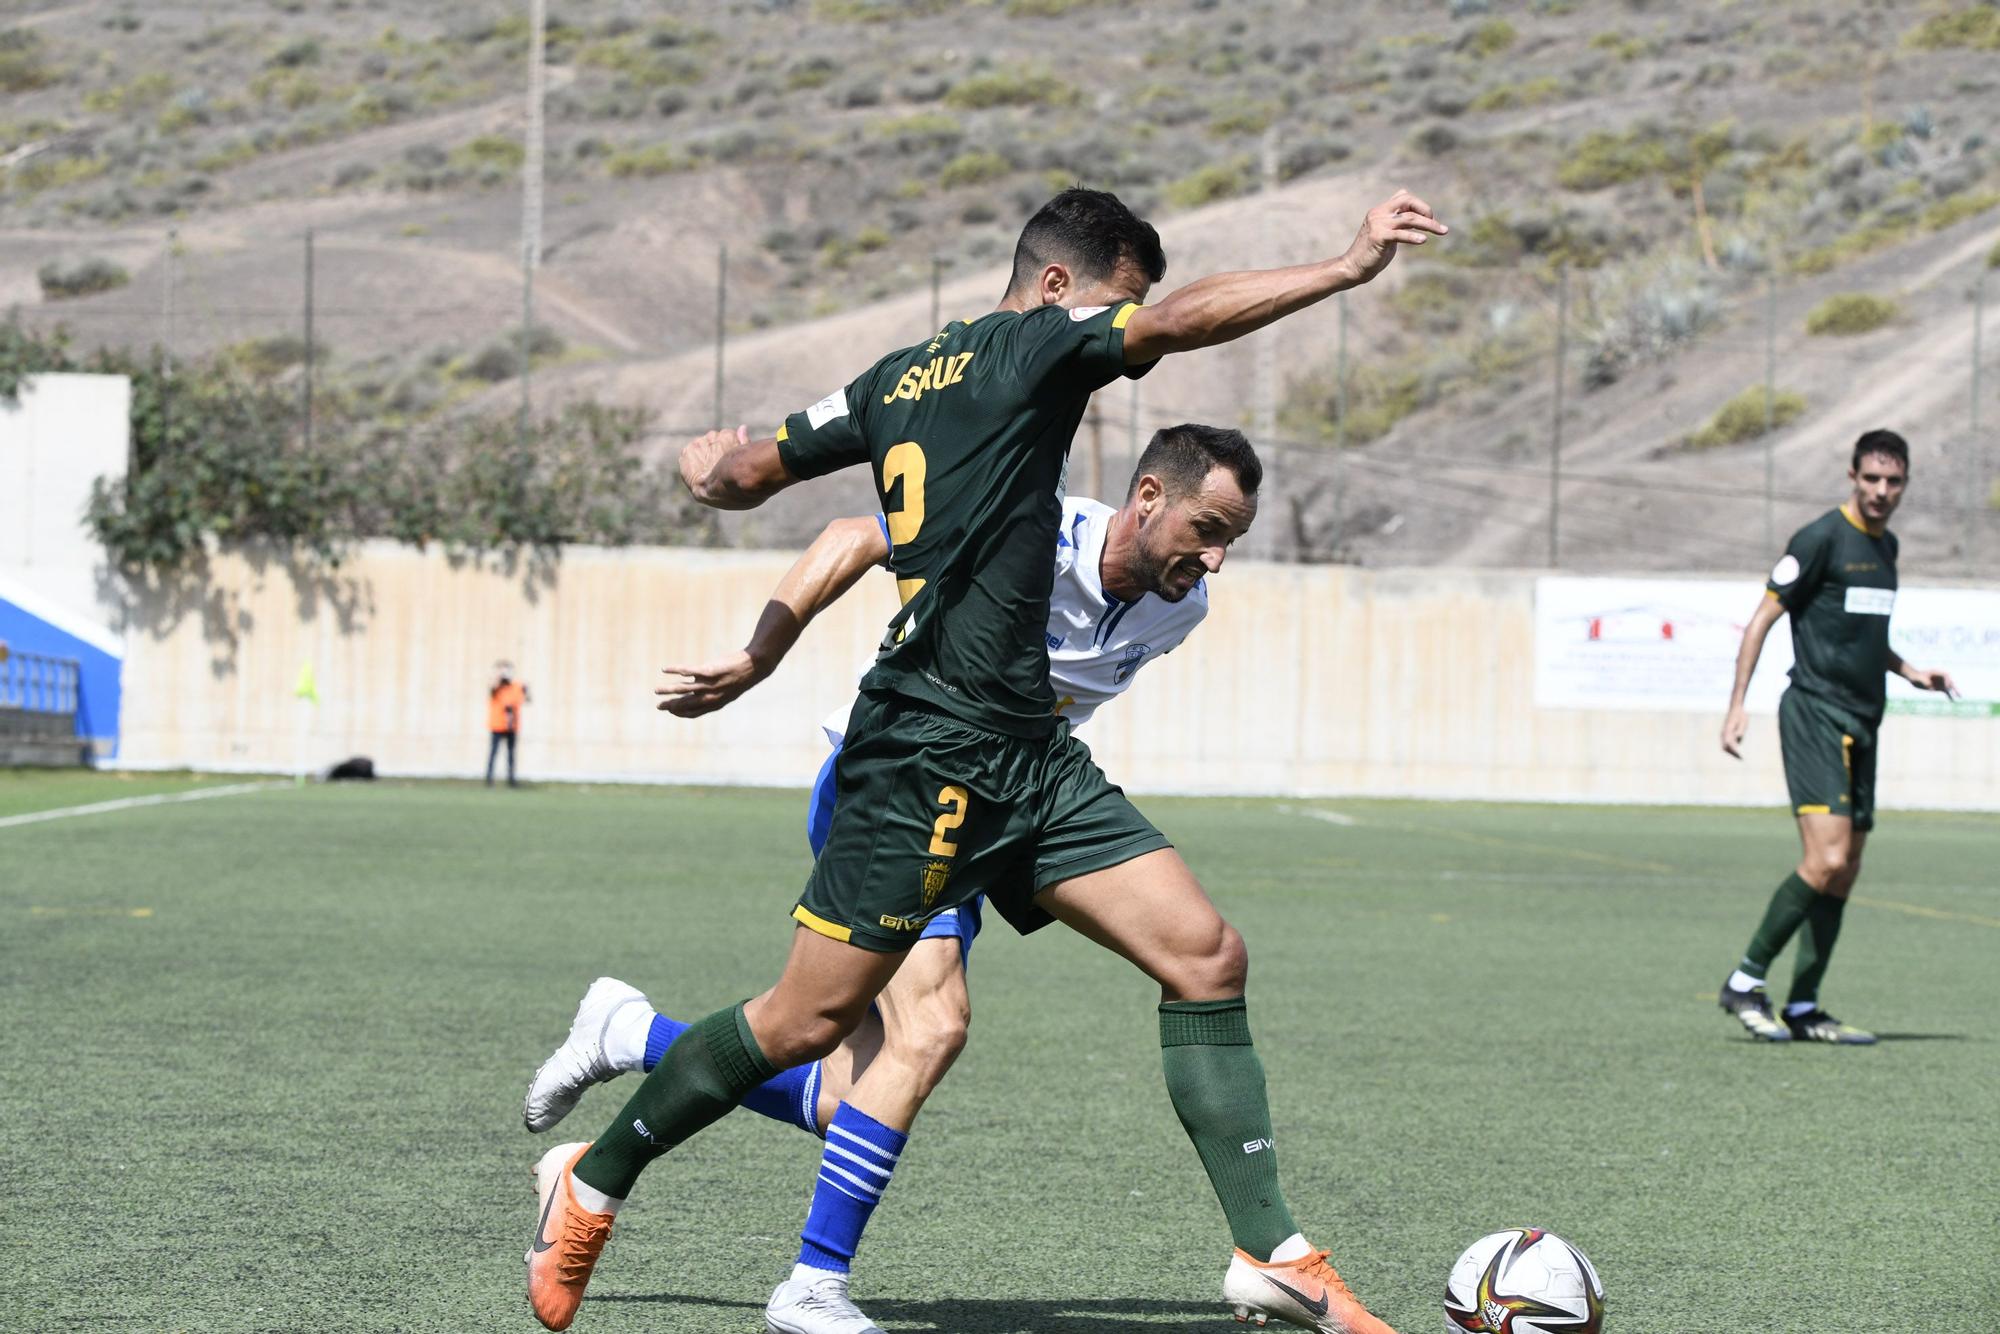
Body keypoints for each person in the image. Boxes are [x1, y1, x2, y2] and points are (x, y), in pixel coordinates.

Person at [526, 185, 1446, 1334]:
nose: (1120, 335)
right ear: (1056, 286)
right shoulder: (1029, 351)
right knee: (812, 1024)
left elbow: (750, 471)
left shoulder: (891, 379)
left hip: (1028, 753)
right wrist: (1341, 270)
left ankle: (1271, 1248)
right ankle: (596, 1178)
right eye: (1116, 304)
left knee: (1205, 952)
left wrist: (709, 472)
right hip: (921, 746)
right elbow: (1174, 328)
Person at [525, 424, 1261, 1334]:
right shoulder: (1026, 527)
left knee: (847, 1092)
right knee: (931, 1024)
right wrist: (759, 654)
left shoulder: (1178, 610)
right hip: (899, 783)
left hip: (996, 809)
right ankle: (810, 1284)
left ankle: (633, 1035)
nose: (1219, 557)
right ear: (1147, 496)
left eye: (1235, 538)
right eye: (1210, 525)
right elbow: (851, 536)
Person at [1716, 430, 1957, 1044]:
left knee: (1845, 869)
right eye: (1871, 479)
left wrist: (1910, 672)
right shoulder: (1819, 538)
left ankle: (1803, 1007)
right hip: (1816, 714)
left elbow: (1863, 637)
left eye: (1893, 481)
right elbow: (1762, 619)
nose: (1881, 491)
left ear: (1905, 483)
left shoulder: (1888, 547)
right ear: (1852, 476)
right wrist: (1737, 704)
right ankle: (1745, 981)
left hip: (1865, 719)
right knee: (1823, 858)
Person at [486, 662, 529, 788]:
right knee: (493, 752)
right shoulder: (497, 686)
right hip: (497, 725)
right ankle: (489, 778)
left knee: (511, 754)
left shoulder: (516, 686)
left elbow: (524, 699)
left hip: (511, 726)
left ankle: (511, 779)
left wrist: (526, 689)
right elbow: (492, 690)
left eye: (507, 670)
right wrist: (498, 677)